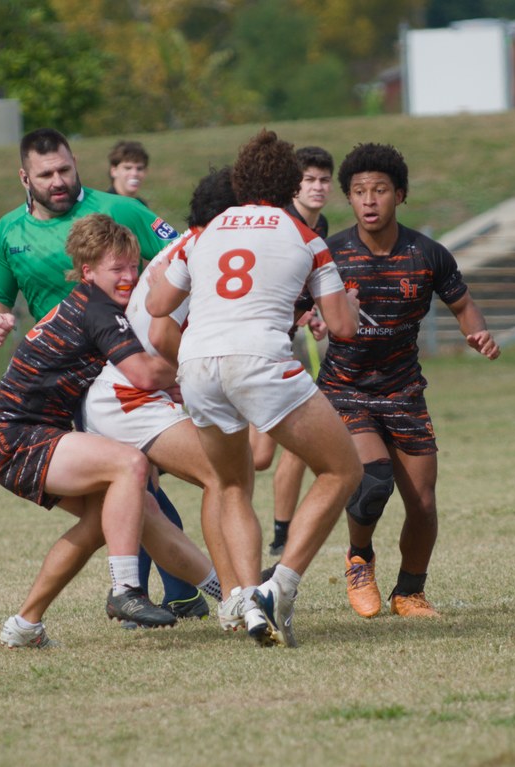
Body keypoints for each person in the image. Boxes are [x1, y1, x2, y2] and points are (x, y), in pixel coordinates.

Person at [145, 129, 363, 648]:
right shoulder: (305, 237)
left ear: (240, 180)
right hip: (259, 359)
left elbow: (157, 305)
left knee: (233, 485)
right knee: (342, 469)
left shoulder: (204, 232)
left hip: (197, 365)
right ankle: (278, 586)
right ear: (291, 184)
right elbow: (344, 327)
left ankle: (246, 602)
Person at [0, 127, 205, 619]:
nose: (58, 181)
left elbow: (188, 250)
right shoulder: (9, 233)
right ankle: (142, 590)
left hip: (110, 373)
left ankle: (30, 621)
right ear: (25, 177)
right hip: (66, 398)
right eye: (45, 175)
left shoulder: (119, 210)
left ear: (76, 162)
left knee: (130, 498)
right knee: (135, 480)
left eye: (64, 169)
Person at [317, 142, 501, 619]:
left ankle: (409, 592)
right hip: (345, 389)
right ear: (350, 199)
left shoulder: (427, 254)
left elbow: (462, 304)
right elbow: (294, 307)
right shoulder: (331, 254)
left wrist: (476, 331)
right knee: (375, 478)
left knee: (422, 502)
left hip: (403, 389)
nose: (370, 200)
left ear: (400, 195)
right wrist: (309, 322)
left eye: (380, 190)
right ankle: (359, 558)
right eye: (359, 191)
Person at [86, 167, 246, 631]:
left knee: (143, 514)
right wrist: (194, 373)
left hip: (132, 393)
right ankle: (235, 596)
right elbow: (160, 330)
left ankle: (224, 590)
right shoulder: (203, 252)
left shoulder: (188, 246)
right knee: (222, 475)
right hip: (129, 397)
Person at [265, 146, 335, 557]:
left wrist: (312, 313)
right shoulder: (280, 224)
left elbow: (305, 283)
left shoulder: (318, 224)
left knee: (296, 441)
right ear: (294, 185)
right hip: (262, 341)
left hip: (290, 339)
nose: (317, 187)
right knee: (259, 456)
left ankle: (281, 534)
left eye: (324, 180)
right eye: (309, 179)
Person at [107, 140, 149, 206]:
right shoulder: (104, 204)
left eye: (139, 168)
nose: (134, 173)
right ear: (114, 171)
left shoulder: (141, 205)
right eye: (128, 168)